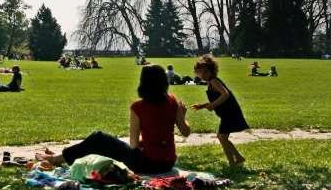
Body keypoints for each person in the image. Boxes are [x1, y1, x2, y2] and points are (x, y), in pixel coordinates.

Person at [36, 64, 190, 174]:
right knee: (104, 143)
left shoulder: (138, 107)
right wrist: (182, 114)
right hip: (168, 164)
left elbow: (134, 144)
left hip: (146, 164)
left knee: (99, 138)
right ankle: (64, 155)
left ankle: (58, 158)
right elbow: (186, 132)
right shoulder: (172, 101)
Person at [191, 54, 249, 168]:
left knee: (222, 137)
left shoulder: (214, 81)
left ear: (212, 71)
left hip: (230, 113)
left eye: (206, 71)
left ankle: (232, 163)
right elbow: (217, 98)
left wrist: (212, 105)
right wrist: (202, 106)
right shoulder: (210, 83)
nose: (203, 74)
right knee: (222, 136)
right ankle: (238, 158)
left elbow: (225, 94)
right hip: (226, 114)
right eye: (200, 72)